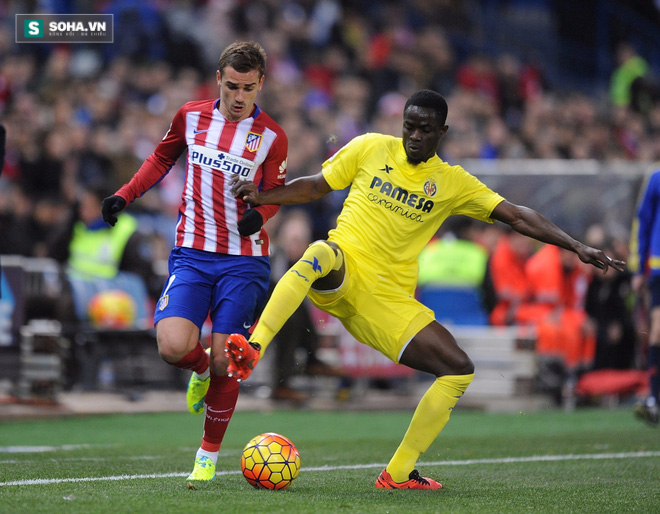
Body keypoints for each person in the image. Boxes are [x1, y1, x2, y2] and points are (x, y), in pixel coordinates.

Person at [227, 89, 625, 489]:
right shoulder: (369, 147)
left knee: (458, 369)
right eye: (409, 127)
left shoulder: (451, 182)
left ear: (442, 132)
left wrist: (577, 246)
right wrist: (262, 196)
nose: (415, 136)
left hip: (387, 302)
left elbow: (517, 217)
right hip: (342, 268)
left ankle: (398, 473)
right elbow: (316, 186)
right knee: (319, 251)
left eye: (425, 129)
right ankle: (254, 347)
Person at [100, 41, 288, 483]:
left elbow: (277, 194)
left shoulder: (273, 137)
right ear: (218, 79)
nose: (239, 97)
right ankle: (200, 369)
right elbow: (162, 157)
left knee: (229, 358)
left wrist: (258, 215)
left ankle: (206, 457)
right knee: (171, 346)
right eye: (231, 86)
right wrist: (125, 194)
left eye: (248, 88)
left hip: (244, 261)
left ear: (261, 84)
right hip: (192, 253)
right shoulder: (191, 115)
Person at [630, 164, 660, 426]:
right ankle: (653, 398)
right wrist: (639, 268)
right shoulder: (656, 178)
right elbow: (644, 220)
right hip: (659, 268)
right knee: (658, 329)